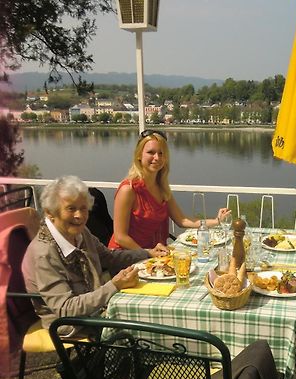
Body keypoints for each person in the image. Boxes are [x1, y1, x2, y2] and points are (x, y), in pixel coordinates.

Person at [22, 176, 168, 337]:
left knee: (152, 309)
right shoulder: (44, 253)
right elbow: (65, 309)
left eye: (83, 208)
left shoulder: (80, 233)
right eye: (71, 209)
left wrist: (147, 253)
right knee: (144, 325)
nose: (79, 215)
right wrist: (114, 286)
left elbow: (109, 258)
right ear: (50, 213)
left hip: (94, 308)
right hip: (69, 323)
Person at [108, 130, 231, 250]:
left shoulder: (162, 188)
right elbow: (120, 237)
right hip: (126, 256)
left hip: (155, 254)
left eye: (161, 153)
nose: (157, 157)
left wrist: (217, 221)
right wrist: (148, 253)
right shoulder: (128, 190)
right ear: (139, 155)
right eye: (151, 152)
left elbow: (182, 220)